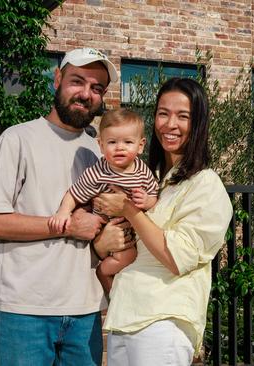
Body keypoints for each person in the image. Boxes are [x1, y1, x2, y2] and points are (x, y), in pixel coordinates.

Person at [0, 47, 133, 366]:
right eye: (77, 81)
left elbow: (111, 223)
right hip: (24, 314)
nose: (86, 94)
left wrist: (103, 240)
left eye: (97, 88)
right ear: (57, 79)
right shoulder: (17, 139)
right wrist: (65, 225)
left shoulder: (102, 152)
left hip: (86, 311)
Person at [94, 78, 233, 365]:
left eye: (183, 116)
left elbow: (176, 258)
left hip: (162, 322)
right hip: (126, 316)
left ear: (199, 124)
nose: (170, 124)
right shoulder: (157, 181)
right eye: (163, 113)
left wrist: (130, 210)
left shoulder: (205, 184)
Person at [48, 108, 159, 293]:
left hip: (132, 232)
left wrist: (146, 200)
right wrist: (63, 212)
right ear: (100, 145)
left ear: (140, 146)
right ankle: (105, 277)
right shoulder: (99, 172)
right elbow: (74, 193)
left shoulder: (142, 170)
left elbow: (154, 197)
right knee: (129, 258)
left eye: (128, 142)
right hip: (108, 232)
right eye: (112, 142)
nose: (120, 147)